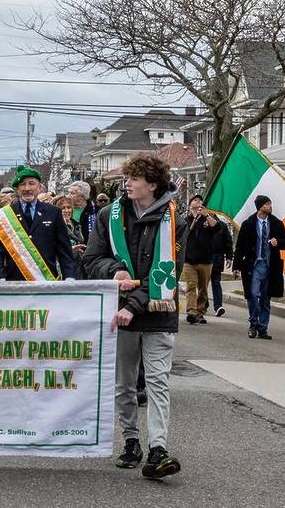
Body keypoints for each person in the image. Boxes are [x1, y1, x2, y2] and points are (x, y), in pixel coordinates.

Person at [83, 151, 185, 480]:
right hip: (118, 312)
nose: (126, 183)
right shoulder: (107, 216)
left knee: (157, 382)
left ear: (152, 184)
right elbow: (92, 259)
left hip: (158, 313)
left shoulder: (175, 221)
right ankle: (131, 441)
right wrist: (113, 271)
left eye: (134, 179)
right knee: (124, 384)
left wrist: (133, 304)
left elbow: (166, 274)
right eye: (127, 178)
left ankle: (158, 448)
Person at [0, 166, 76, 281]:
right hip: (14, 283)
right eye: (22, 184)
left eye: (31, 183)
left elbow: (64, 250)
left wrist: (69, 277)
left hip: (46, 281)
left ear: (39, 187)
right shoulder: (6, 215)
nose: (27, 188)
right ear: (17, 189)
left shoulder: (53, 213)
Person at [233, 195, 285, 339]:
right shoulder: (248, 224)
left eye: (271, 203)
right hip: (253, 266)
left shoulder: (276, 223)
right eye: (267, 204)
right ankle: (253, 323)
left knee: (265, 298)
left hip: (270, 266)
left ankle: (263, 328)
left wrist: (278, 242)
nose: (270, 206)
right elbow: (240, 246)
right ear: (260, 207)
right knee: (252, 294)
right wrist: (236, 265)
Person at [182, 194, 222, 325]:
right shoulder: (185, 220)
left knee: (203, 288)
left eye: (200, 200)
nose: (198, 202)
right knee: (191, 286)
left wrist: (206, 215)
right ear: (190, 205)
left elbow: (217, 228)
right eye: (195, 200)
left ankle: (200, 312)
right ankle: (191, 311)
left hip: (205, 259)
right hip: (189, 260)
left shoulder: (207, 218)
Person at [53, 195, 86, 279]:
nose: (66, 210)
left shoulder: (76, 224)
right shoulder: (53, 226)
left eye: (69, 207)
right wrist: (70, 249)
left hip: (79, 265)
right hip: (63, 267)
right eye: (63, 208)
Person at [209, 217, 234, 318]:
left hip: (217, 258)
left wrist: (229, 257)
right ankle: (203, 305)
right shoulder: (200, 223)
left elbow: (228, 241)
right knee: (202, 284)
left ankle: (218, 306)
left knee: (216, 282)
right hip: (202, 258)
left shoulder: (221, 225)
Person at [68, 180, 97, 244]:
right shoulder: (65, 210)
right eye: (68, 193)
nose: (68, 196)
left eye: (72, 193)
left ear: (83, 196)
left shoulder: (95, 210)